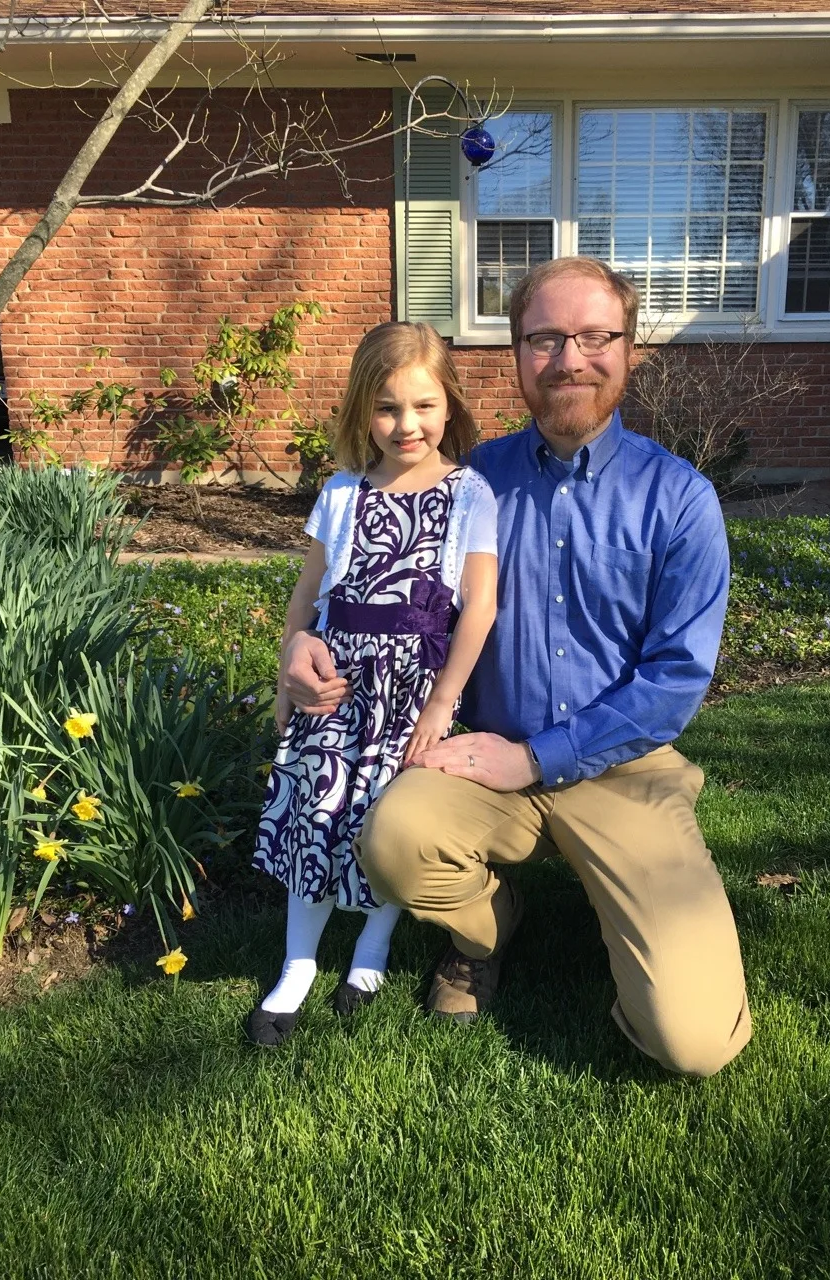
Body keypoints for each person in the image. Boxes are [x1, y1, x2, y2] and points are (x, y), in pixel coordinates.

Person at [281, 257, 750, 1077]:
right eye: (545, 339)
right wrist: (299, 642)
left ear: (629, 350)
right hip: (481, 755)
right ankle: (486, 925)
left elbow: (675, 682)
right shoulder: (467, 484)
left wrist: (537, 758)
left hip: (622, 767)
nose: (570, 359)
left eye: (595, 336)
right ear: (516, 355)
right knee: (392, 840)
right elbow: (355, 563)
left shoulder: (678, 500)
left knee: (694, 1043)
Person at [246, 321, 498, 1046]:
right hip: (336, 682)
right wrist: (286, 671)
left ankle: (372, 946)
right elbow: (307, 593)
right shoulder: (342, 493)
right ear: (363, 412)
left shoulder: (469, 494)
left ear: (449, 405)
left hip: (413, 691)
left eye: (423, 406)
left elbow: (480, 606)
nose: (406, 424)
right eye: (387, 408)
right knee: (316, 813)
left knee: (383, 819)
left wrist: (443, 703)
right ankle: (297, 962)